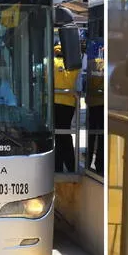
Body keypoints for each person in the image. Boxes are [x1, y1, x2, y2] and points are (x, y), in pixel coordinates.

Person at [53, 44, 80, 173]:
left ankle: (58, 165)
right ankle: (70, 164)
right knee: (65, 133)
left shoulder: (51, 62)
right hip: (69, 103)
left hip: (54, 102)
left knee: (57, 135)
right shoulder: (74, 66)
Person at [85, 43, 104, 176]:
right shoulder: (106, 65)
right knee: (101, 135)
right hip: (102, 104)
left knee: (91, 134)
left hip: (92, 104)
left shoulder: (90, 64)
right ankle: (100, 164)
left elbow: (85, 82)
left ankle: (88, 163)